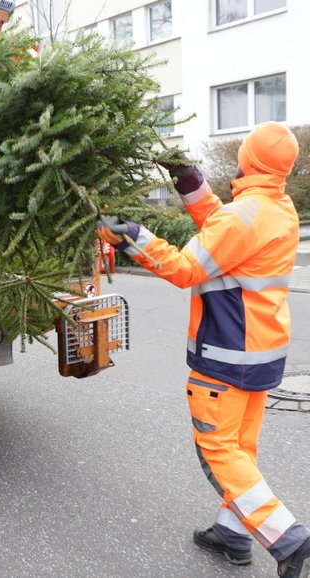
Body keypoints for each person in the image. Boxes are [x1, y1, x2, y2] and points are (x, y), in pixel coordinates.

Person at [97, 121, 310, 578]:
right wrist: (188, 180)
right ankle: (231, 532)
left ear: (247, 159)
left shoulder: (243, 217)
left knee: (219, 451)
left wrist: (134, 235)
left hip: (225, 357)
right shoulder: (277, 207)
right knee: (240, 449)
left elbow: (186, 268)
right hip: (261, 355)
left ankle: (289, 539)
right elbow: (223, 224)